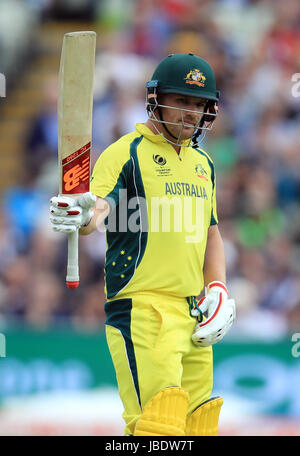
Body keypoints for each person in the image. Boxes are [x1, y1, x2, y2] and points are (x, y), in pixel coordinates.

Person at [50, 53, 236, 436]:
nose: (191, 112)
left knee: (199, 427)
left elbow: (211, 231)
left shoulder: (204, 163)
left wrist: (216, 287)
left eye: (199, 104)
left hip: (193, 314)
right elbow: (100, 208)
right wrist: (83, 215)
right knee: (158, 426)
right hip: (141, 310)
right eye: (181, 100)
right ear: (155, 99)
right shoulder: (126, 152)